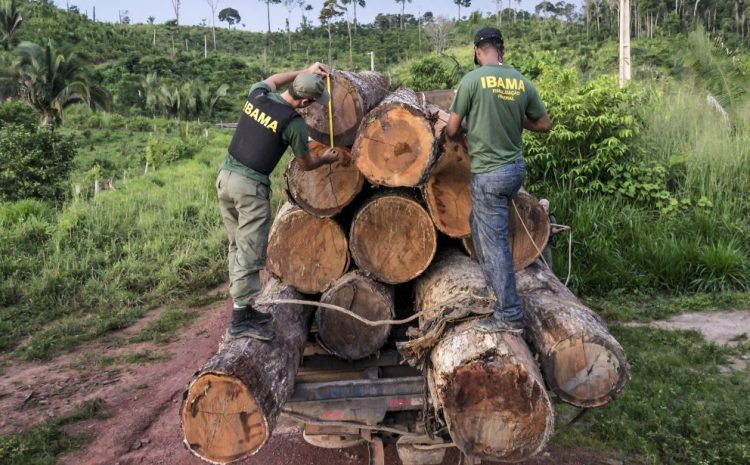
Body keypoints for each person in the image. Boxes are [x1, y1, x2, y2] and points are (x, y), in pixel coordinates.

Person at [217, 63, 339, 341]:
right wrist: (326, 158)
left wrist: (302, 72)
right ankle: (240, 318)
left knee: (237, 244)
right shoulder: (293, 123)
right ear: (306, 101)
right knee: (249, 249)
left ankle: (242, 307)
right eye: (313, 102)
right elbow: (306, 164)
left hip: (225, 177)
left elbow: (272, 79)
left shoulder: (258, 95)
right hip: (249, 187)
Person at [445, 27, 552, 334]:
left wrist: (469, 123)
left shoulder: (472, 80)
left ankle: (509, 314)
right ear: (501, 49)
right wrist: (516, 117)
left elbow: (452, 130)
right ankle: (496, 292)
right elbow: (544, 124)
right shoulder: (521, 81)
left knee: (495, 246)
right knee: (478, 226)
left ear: (479, 51)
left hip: (489, 174)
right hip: (514, 169)